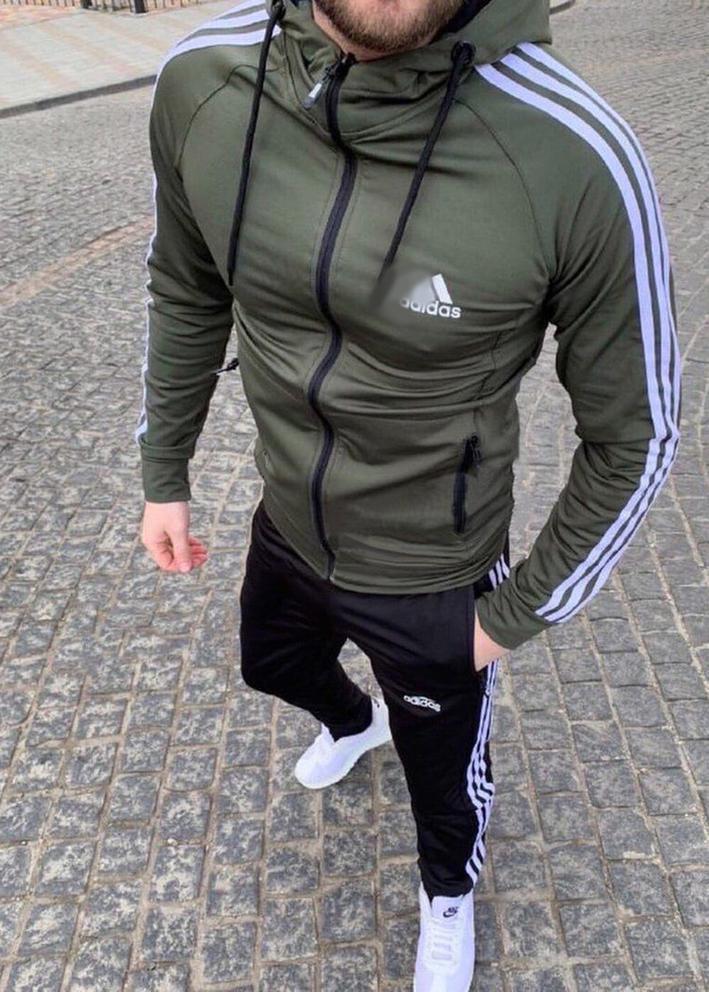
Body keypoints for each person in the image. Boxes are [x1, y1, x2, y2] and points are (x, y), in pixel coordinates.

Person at [135, 0, 681, 987]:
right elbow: (186, 284)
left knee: (445, 784)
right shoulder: (205, 79)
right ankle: (355, 723)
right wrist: (163, 472)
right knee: (268, 664)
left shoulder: (576, 155)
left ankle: (447, 893)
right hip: (288, 520)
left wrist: (505, 621)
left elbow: (634, 437)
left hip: (434, 567)